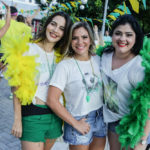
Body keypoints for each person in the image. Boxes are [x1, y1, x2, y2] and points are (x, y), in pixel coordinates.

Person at [11, 11, 72, 150]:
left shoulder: (62, 57)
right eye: (53, 24)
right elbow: (16, 86)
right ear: (47, 24)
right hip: (33, 114)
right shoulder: (28, 49)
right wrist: (17, 120)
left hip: (55, 117)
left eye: (62, 28)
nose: (55, 30)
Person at [47, 21, 106, 150]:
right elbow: (52, 100)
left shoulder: (98, 59)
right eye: (75, 38)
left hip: (100, 116)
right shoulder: (65, 65)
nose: (80, 42)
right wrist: (75, 123)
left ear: (90, 39)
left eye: (84, 37)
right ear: (70, 41)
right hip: (80, 119)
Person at [100, 14, 150, 150]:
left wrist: (143, 139)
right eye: (118, 33)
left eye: (128, 35)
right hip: (112, 121)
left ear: (136, 38)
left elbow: (148, 105)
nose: (122, 39)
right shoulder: (104, 55)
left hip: (135, 127)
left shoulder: (139, 67)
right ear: (111, 36)